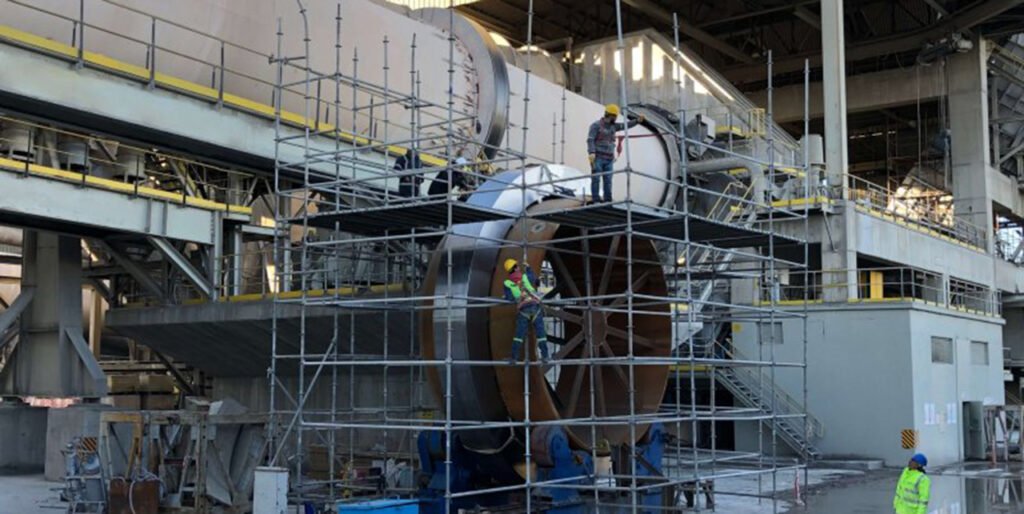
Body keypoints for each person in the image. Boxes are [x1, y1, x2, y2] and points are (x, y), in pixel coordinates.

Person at [586, 104, 644, 203]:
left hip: (609, 159)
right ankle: (596, 199)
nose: (616, 118)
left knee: (608, 181)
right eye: (615, 116)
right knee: (596, 179)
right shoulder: (596, 125)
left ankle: (607, 200)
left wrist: (637, 121)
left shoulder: (614, 126)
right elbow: (590, 139)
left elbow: (625, 125)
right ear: (609, 115)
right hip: (598, 158)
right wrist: (592, 152)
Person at [502, 258, 549, 364]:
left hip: (523, 311)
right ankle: (546, 356)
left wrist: (506, 296)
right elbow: (534, 279)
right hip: (535, 307)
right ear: (517, 268)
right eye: (517, 266)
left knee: (519, 336)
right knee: (541, 334)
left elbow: (509, 298)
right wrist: (528, 268)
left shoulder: (507, 283)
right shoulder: (524, 276)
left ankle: (514, 358)